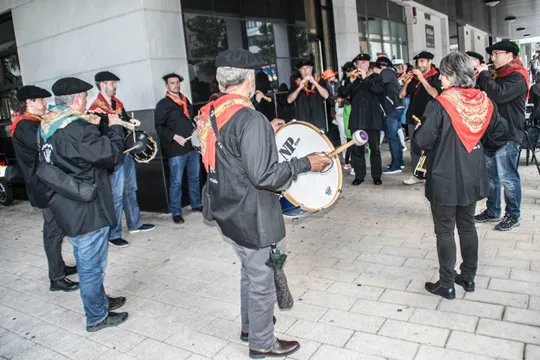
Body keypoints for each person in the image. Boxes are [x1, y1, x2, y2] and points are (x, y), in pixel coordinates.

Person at [197, 49, 331, 358]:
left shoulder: (214, 111)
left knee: (249, 269)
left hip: (227, 207)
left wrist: (263, 135)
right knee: (261, 278)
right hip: (251, 213)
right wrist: (305, 163)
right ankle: (262, 343)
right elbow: (266, 175)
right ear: (249, 79)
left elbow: (224, 149)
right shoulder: (249, 117)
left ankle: (249, 327)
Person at [414, 52, 508, 299]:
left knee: (444, 229)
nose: (441, 79)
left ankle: (446, 283)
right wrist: (480, 148)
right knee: (467, 227)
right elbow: (500, 134)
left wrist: (419, 129)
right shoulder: (483, 101)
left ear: (452, 76)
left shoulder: (440, 104)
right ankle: (468, 277)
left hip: (443, 176)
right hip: (472, 174)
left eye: (443, 74)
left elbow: (422, 141)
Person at [39, 77, 128, 331]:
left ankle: (100, 302)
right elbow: (110, 155)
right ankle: (97, 317)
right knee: (91, 265)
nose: (87, 100)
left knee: (86, 258)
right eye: (85, 96)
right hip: (87, 208)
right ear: (77, 99)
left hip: (67, 204)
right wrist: (114, 127)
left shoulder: (48, 125)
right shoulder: (76, 129)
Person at [10, 85, 79, 292]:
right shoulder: (24, 126)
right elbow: (49, 143)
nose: (44, 104)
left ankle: (59, 268)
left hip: (48, 183)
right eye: (40, 100)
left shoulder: (33, 122)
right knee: (53, 231)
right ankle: (56, 278)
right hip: (44, 186)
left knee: (55, 230)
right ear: (28, 103)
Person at [89, 71, 154, 248]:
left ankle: (135, 224)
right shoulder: (96, 109)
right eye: (112, 83)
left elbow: (124, 124)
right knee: (115, 196)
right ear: (102, 85)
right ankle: (113, 233)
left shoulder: (117, 104)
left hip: (126, 152)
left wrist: (131, 124)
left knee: (131, 189)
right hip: (112, 156)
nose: (115, 86)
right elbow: (100, 135)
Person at [474, 39, 529, 231]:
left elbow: (498, 94)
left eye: (497, 54)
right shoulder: (497, 75)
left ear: (510, 55)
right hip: (491, 133)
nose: (492, 58)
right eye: (492, 54)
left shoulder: (518, 76)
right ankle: (492, 210)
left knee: (508, 177)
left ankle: (513, 215)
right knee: (491, 177)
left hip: (509, 133)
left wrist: (484, 75)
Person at [155, 72, 202, 224]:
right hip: (175, 149)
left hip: (191, 146)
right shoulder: (163, 105)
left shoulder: (185, 100)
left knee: (194, 177)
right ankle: (176, 211)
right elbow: (159, 127)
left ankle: (196, 204)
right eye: (172, 83)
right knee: (176, 181)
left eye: (177, 82)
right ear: (167, 86)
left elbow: (188, 118)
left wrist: (195, 119)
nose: (176, 85)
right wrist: (175, 137)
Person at [339, 53, 384, 186]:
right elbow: (342, 93)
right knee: (357, 151)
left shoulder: (376, 78)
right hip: (357, 120)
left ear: (368, 64)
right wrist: (351, 81)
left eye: (364, 63)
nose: (361, 66)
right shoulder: (352, 80)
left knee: (375, 150)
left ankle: (376, 176)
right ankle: (359, 176)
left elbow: (378, 90)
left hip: (372, 120)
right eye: (358, 63)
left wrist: (365, 79)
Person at [400, 51, 443, 185]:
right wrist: (407, 81)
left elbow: (435, 94)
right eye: (418, 62)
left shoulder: (437, 76)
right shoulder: (414, 78)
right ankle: (417, 174)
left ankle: (431, 175)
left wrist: (422, 79)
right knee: (415, 147)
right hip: (414, 115)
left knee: (431, 147)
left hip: (430, 118)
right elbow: (401, 95)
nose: (419, 64)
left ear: (430, 62)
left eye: (422, 61)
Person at [374, 55, 406, 174]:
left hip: (392, 109)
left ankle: (395, 166)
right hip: (397, 107)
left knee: (392, 138)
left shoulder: (386, 73)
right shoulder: (391, 73)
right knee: (396, 137)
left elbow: (377, 87)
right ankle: (399, 162)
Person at [287, 59, 329, 131]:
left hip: (318, 122)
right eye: (302, 69)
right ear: (300, 71)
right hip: (302, 123)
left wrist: (315, 83)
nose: (305, 70)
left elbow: (326, 95)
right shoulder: (296, 83)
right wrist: (299, 87)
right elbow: (289, 100)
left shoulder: (319, 80)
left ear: (311, 69)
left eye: (307, 68)